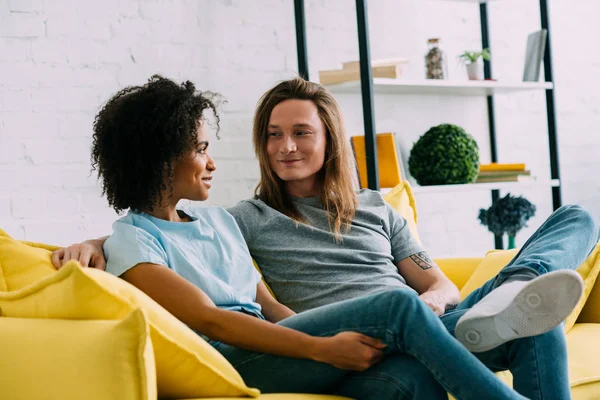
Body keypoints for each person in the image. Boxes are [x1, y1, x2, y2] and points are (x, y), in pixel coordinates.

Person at [53, 77, 597, 399]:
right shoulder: (245, 217)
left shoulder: (223, 220)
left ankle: (515, 288)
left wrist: (423, 312)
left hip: (413, 323)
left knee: (556, 274)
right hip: (259, 350)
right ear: (158, 157)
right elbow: (198, 298)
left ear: (329, 139)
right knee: (395, 307)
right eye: (272, 135)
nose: (283, 147)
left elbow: (270, 304)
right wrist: (97, 243)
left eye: (300, 133)